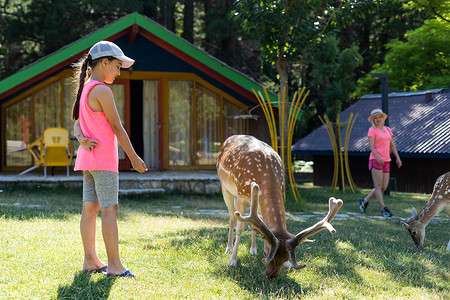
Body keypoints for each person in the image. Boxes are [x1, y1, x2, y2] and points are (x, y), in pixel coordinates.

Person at [72, 41, 147, 277]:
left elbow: (76, 123)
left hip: (88, 160)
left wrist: (81, 138)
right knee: (110, 210)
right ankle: (114, 265)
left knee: (89, 209)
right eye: (117, 66)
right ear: (104, 62)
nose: (119, 71)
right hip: (103, 162)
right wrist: (134, 157)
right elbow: (117, 126)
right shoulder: (102, 90)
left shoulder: (86, 88)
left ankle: (90, 260)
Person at [359, 109, 402, 217]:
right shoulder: (372, 130)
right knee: (378, 186)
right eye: (376, 117)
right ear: (373, 120)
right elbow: (372, 147)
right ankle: (384, 209)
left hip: (387, 160)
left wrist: (397, 158)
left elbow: (392, 145)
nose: (378, 119)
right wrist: (378, 157)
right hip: (376, 160)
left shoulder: (387, 129)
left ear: (383, 118)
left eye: (379, 117)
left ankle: (364, 201)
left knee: (383, 187)